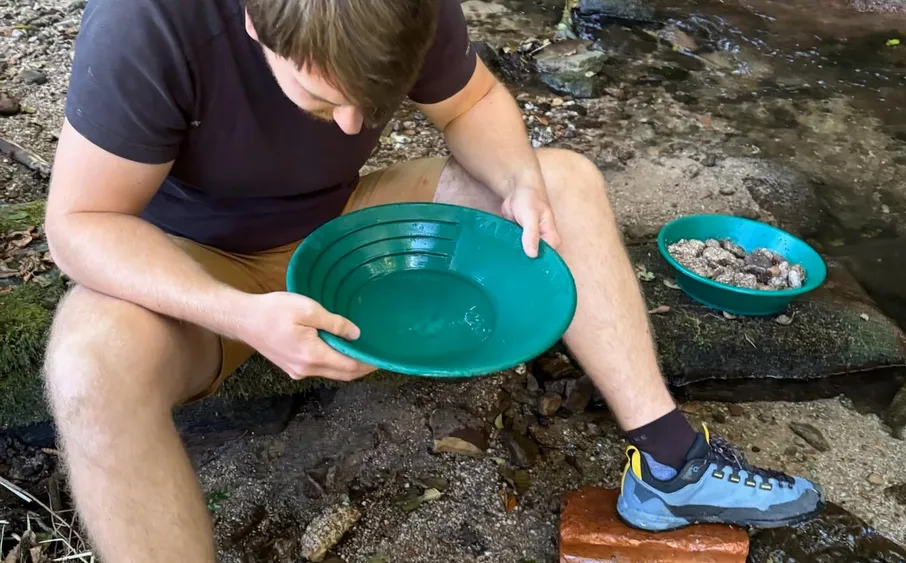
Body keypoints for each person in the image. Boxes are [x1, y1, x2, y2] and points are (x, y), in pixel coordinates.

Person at [41, 0, 823, 560]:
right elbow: (79, 224)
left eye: (371, 102)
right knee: (87, 364)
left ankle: (668, 465)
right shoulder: (147, 21)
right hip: (200, 261)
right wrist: (236, 314)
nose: (352, 125)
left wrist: (516, 179)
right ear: (254, 22)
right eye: (321, 96)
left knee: (565, 182)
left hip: (347, 223)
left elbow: (472, 99)